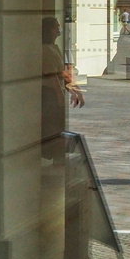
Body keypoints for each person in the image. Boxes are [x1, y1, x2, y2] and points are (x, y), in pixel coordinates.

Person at [41, 16, 85, 161]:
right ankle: (53, 156)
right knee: (53, 126)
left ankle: (57, 156)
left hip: (56, 91)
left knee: (58, 126)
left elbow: (62, 73)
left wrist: (75, 89)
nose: (58, 29)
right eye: (56, 27)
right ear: (50, 30)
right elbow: (52, 75)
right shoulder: (45, 49)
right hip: (50, 93)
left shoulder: (54, 47)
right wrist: (60, 96)